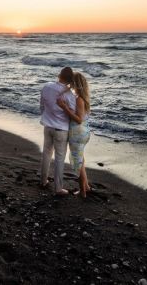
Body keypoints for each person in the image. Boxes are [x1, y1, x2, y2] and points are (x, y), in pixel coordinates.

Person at [39, 66, 76, 196]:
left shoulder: (47, 86)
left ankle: (43, 180)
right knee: (59, 158)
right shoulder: (69, 95)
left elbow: (42, 105)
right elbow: (74, 114)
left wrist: (47, 116)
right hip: (61, 129)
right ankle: (58, 188)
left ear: (59, 75)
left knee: (46, 154)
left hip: (47, 126)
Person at [57, 71, 92, 198]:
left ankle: (82, 191)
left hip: (78, 133)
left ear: (74, 84)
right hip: (85, 132)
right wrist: (67, 88)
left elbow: (78, 119)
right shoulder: (84, 98)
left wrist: (64, 108)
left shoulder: (78, 99)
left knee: (78, 162)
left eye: (71, 82)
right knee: (81, 160)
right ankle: (86, 186)